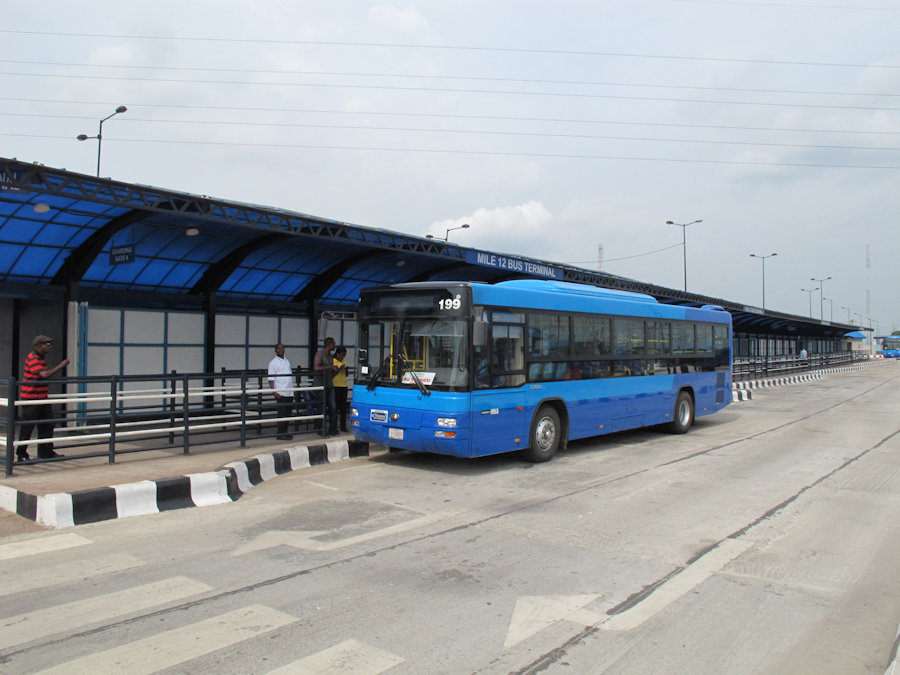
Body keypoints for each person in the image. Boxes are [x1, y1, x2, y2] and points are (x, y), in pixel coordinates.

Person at [18, 334, 70, 461]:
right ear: (39, 346)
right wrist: (61, 365)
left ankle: (46, 452)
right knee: (27, 427)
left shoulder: (41, 358)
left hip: (42, 398)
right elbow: (44, 375)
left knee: (47, 425)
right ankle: (22, 454)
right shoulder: (33, 358)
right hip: (31, 399)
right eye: (47, 344)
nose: (49, 347)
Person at [267, 342, 294, 441]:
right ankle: (280, 433)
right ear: (275, 350)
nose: (281, 350)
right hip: (280, 391)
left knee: (288, 412)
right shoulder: (273, 362)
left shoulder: (287, 361)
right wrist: (274, 391)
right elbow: (271, 378)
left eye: (282, 348)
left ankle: (285, 431)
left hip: (289, 391)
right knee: (282, 413)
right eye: (279, 348)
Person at [313, 337, 338, 436]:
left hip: (329, 384)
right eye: (333, 344)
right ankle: (321, 428)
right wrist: (329, 367)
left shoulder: (331, 356)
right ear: (329, 344)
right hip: (320, 384)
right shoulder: (320, 354)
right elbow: (316, 367)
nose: (334, 346)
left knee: (333, 407)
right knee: (321, 407)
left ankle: (332, 428)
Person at [332, 346, 349, 433]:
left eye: (344, 356)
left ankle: (343, 426)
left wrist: (346, 369)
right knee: (336, 407)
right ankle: (334, 426)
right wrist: (339, 369)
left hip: (343, 385)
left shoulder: (344, 362)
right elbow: (332, 374)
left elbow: (346, 375)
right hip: (336, 386)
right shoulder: (333, 361)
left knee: (343, 408)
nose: (342, 357)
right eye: (341, 355)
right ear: (337, 354)